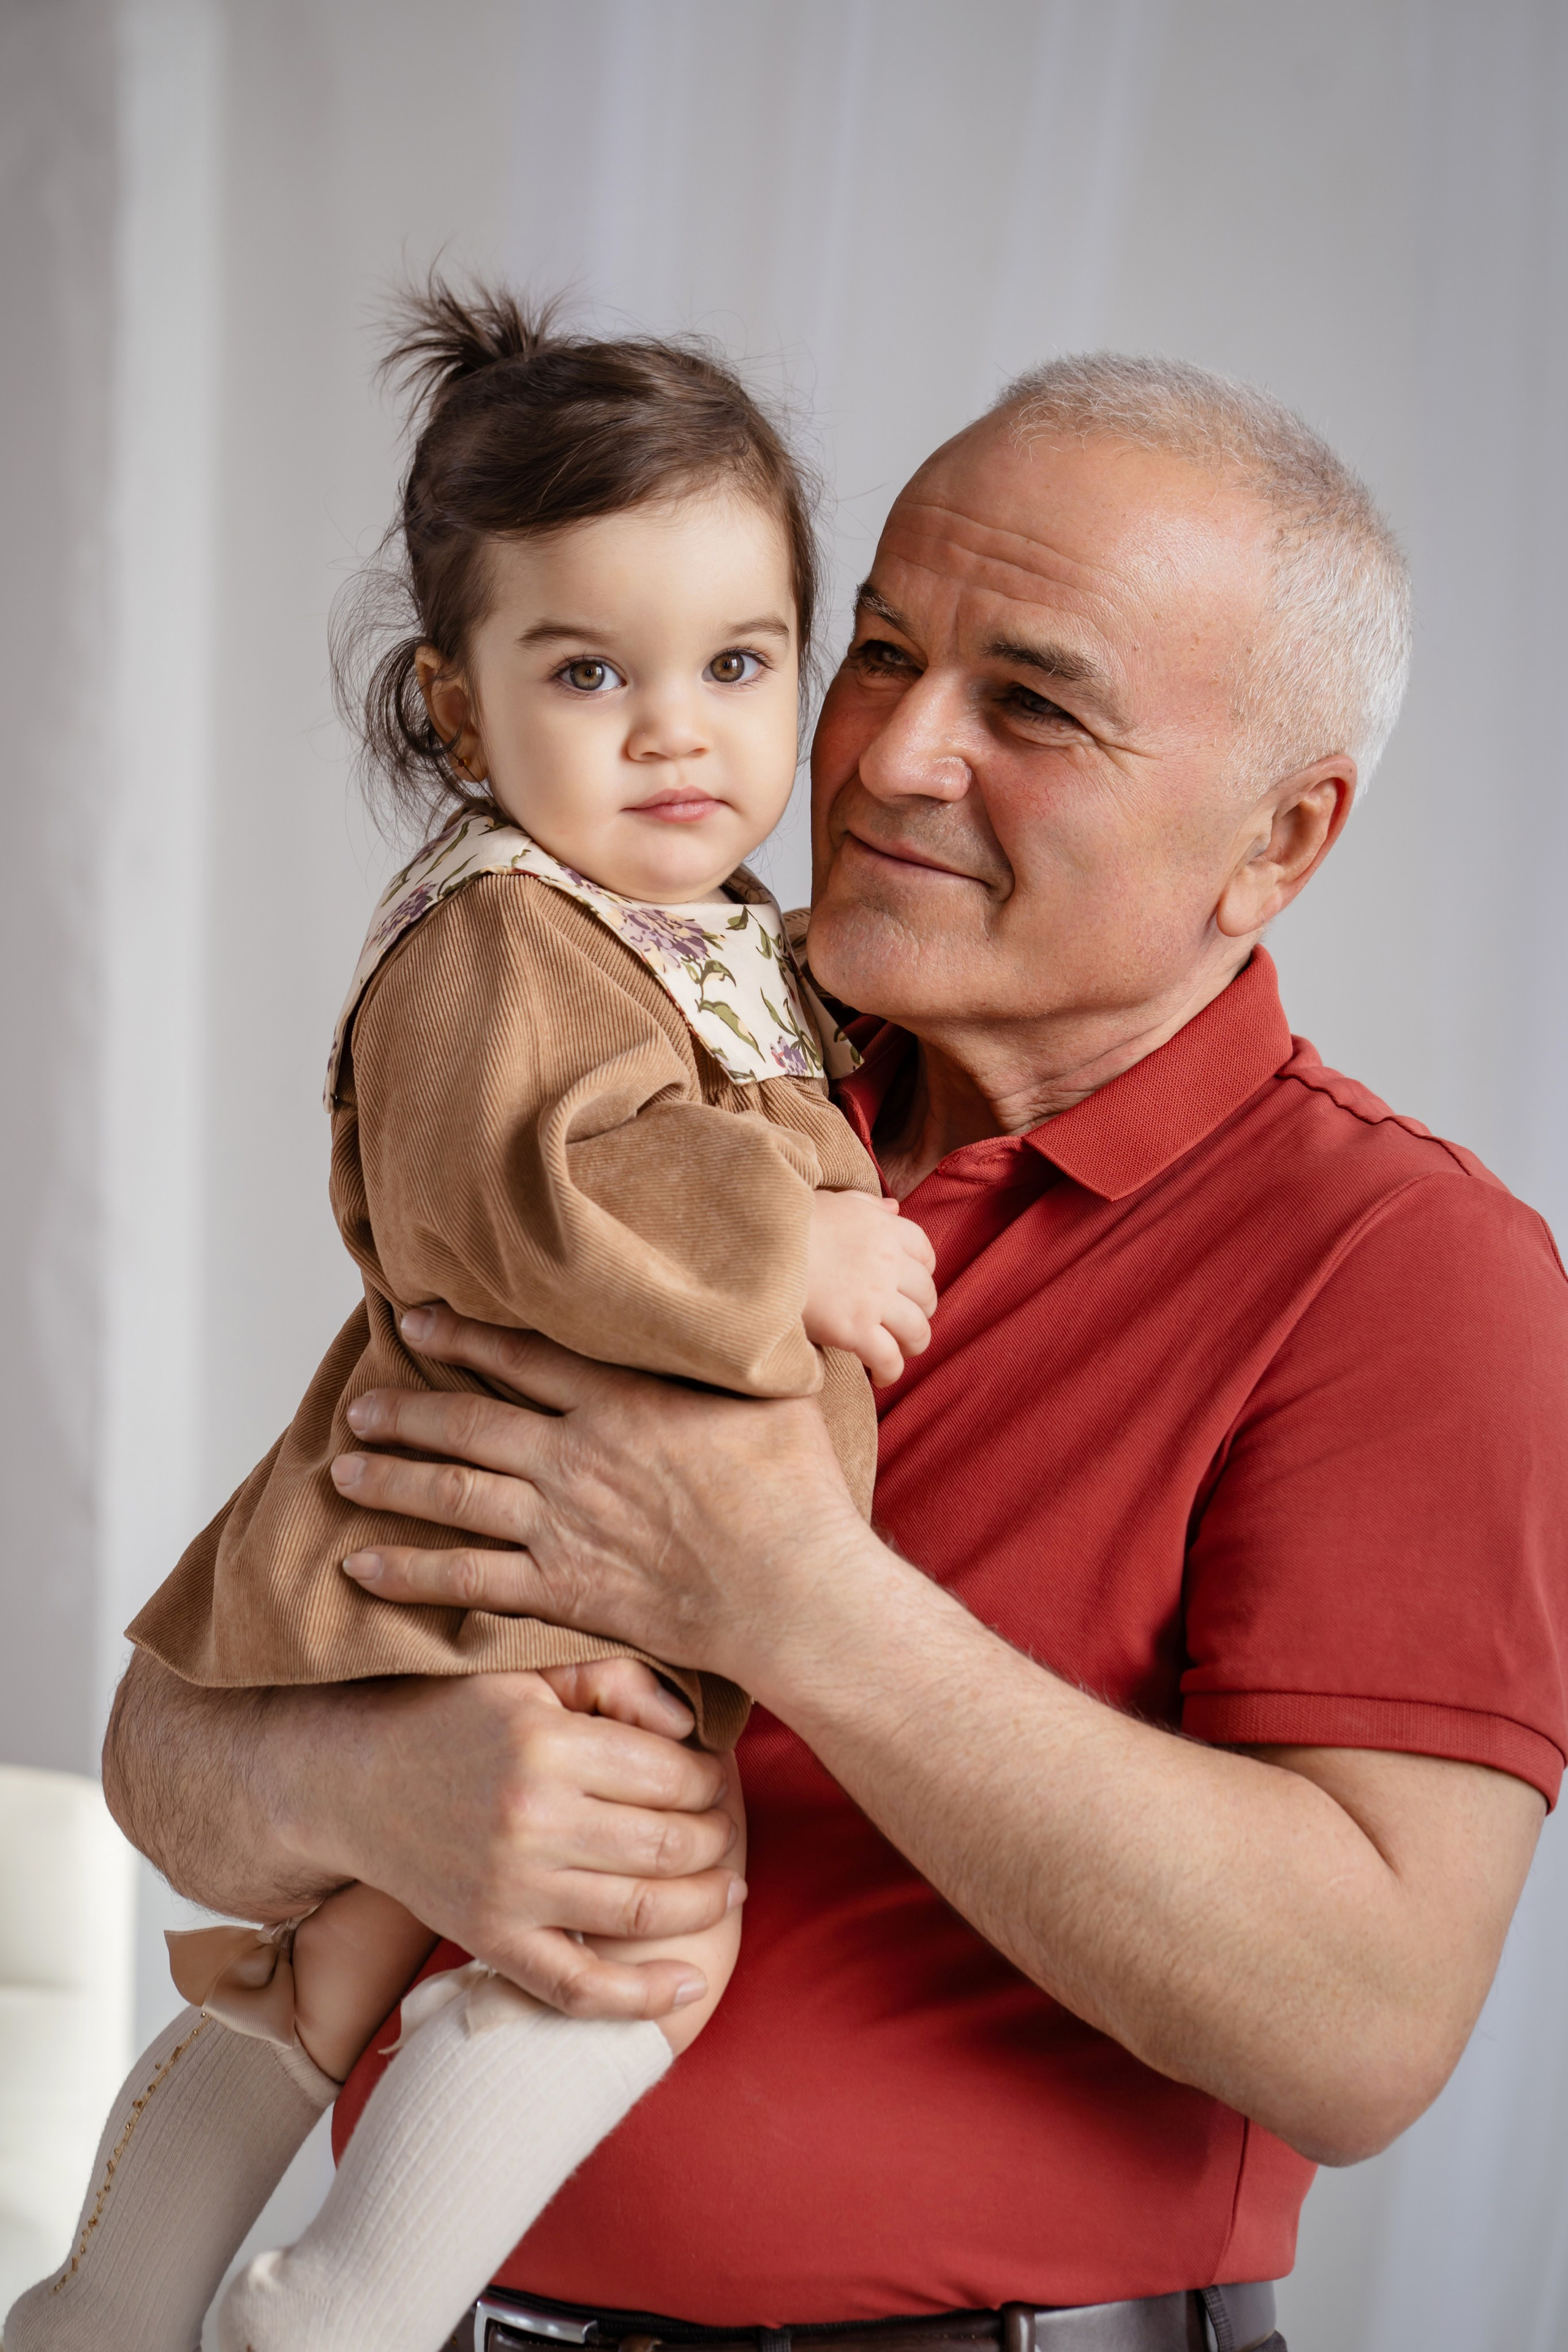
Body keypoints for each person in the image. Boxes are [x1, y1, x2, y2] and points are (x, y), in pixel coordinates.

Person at [102, 358, 1568, 2352]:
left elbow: (1367, 2028)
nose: (884, 759)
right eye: (876, 650)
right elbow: (169, 1750)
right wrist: (391, 1786)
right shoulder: (651, 1091)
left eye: (1030, 704)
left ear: (1277, 841)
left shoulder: (1409, 1268)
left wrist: (782, 1593)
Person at [5, 287, 937, 2352]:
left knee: (344, 1960)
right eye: (590, 670)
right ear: (456, 709)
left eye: (738, 662)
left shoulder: (681, 932)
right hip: (512, 1584)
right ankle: (339, 2313)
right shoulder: (502, 932)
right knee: (626, 1956)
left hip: (537, 1574)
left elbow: (744, 1047)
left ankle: (108, 2301)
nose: (677, 727)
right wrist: (789, 1248)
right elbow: (543, 1181)